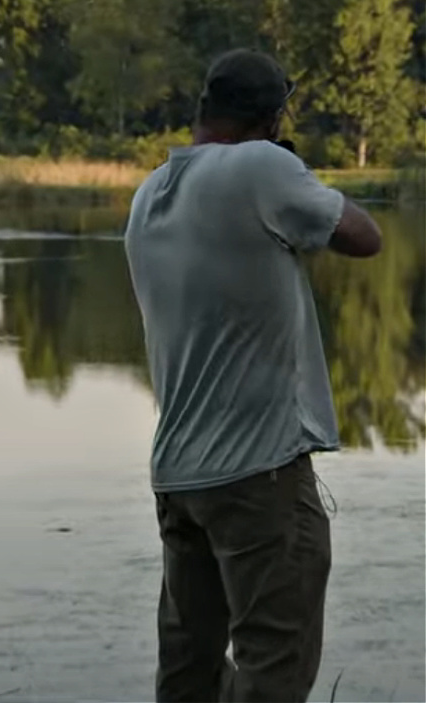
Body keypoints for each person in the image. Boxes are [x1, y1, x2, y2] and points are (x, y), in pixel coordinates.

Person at [124, 48, 382, 703]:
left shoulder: (150, 192)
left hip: (179, 476)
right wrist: (298, 170)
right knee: (275, 663)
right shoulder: (262, 167)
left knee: (188, 671)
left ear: (203, 108)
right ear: (273, 117)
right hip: (258, 472)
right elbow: (363, 236)